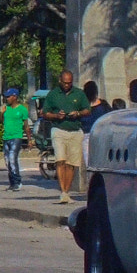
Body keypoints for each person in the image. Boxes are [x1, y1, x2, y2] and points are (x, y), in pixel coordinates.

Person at [44, 69, 89, 201]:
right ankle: (62, 190)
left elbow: (87, 110)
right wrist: (56, 116)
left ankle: (66, 192)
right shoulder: (53, 94)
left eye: (69, 83)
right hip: (59, 129)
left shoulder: (79, 94)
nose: (67, 85)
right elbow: (45, 113)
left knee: (71, 163)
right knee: (60, 160)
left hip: (75, 130)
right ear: (60, 81)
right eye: (64, 83)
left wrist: (78, 113)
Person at [0, 87, 28, 192]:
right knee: (7, 161)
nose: (7, 98)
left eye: (8, 96)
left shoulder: (22, 109)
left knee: (12, 159)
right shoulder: (6, 108)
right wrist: (2, 113)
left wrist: (29, 140)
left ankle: (17, 182)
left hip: (16, 137)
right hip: (6, 137)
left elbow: (26, 125)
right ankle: (12, 183)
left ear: (15, 97)